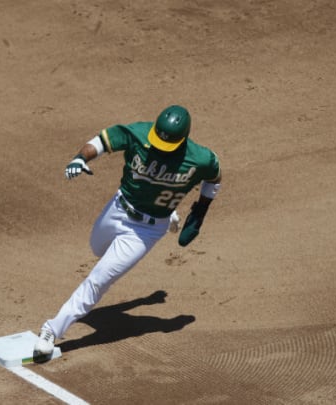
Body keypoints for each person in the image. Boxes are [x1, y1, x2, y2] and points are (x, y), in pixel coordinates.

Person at [34, 105, 222, 355]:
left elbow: (215, 177)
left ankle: (51, 331)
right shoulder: (139, 134)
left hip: (144, 232)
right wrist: (81, 157)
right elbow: (103, 140)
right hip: (118, 208)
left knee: (98, 280)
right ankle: (169, 209)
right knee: (97, 248)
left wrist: (200, 211)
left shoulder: (200, 158)